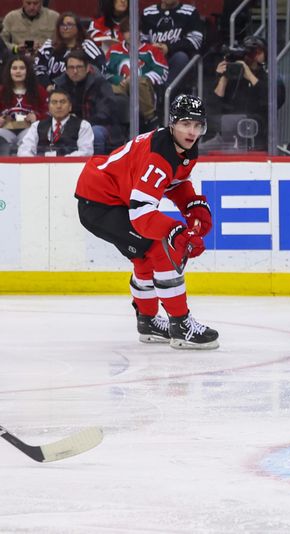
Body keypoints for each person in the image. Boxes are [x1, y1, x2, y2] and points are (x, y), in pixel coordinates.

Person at [74, 94, 219, 349]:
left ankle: (148, 321)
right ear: (172, 123)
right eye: (186, 124)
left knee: (143, 255)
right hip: (100, 204)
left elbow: (175, 181)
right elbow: (142, 215)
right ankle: (180, 324)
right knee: (160, 249)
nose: (192, 131)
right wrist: (176, 232)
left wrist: (191, 205)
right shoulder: (159, 155)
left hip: (112, 198)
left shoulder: (182, 146)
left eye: (198, 125)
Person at [209, 35, 285, 149]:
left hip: (256, 138)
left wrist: (249, 75)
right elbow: (213, 106)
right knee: (201, 151)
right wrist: (224, 76)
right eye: (251, 52)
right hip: (226, 137)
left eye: (258, 52)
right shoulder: (234, 75)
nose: (253, 56)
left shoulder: (270, 78)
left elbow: (276, 101)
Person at [53, 50, 122, 154]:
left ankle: (96, 165)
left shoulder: (100, 83)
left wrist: (81, 125)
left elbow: (105, 113)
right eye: (71, 68)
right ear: (66, 70)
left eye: (79, 67)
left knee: (94, 133)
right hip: (70, 126)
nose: (75, 71)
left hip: (100, 126)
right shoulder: (60, 85)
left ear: (87, 68)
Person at [106, 17, 168, 131]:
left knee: (136, 82)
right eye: (127, 31)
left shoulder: (151, 51)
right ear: (122, 34)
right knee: (107, 88)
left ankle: (151, 119)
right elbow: (104, 72)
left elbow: (163, 72)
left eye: (134, 30)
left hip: (145, 89)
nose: (131, 34)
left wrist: (138, 79)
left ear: (140, 32)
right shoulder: (114, 51)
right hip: (121, 88)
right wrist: (119, 80)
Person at [34, 11, 106, 91]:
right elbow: (38, 68)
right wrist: (47, 85)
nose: (65, 28)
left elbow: (101, 68)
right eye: (62, 25)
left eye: (69, 25)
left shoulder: (88, 46)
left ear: (78, 28)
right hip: (50, 90)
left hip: (81, 91)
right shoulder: (49, 46)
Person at [141, 0, 203, 88]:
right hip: (153, 58)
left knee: (181, 57)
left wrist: (168, 48)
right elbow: (141, 40)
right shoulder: (148, 12)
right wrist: (151, 48)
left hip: (176, 59)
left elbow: (196, 41)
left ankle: (163, 93)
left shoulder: (190, 12)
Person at [17, 88, 93, 156]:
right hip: (41, 168)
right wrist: (38, 162)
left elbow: (86, 152)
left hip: (71, 168)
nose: (58, 106)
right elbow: (23, 150)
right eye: (54, 102)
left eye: (62, 102)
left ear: (70, 107)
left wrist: (62, 161)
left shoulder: (83, 126)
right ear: (49, 107)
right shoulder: (37, 126)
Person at [0, 55, 48, 156]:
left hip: (28, 129)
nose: (18, 71)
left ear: (28, 71)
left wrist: (37, 117)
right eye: (14, 68)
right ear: (9, 71)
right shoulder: (2, 91)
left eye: (22, 68)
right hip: (5, 130)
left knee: (29, 138)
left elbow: (48, 112)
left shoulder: (39, 90)